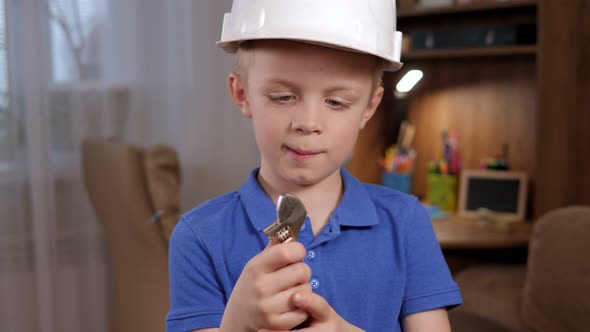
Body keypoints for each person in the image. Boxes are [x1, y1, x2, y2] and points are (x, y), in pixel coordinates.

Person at [166, 1, 462, 331]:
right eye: (282, 96)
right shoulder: (199, 236)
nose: (308, 123)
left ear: (370, 106)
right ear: (242, 94)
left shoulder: (406, 222)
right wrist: (238, 325)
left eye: (336, 102)